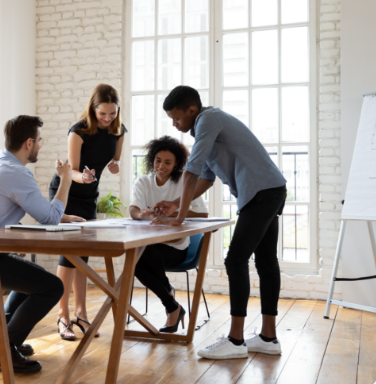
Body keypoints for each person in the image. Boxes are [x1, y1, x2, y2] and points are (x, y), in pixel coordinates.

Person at [153, 86, 287, 360]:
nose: (174, 124)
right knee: (265, 261)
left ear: (192, 110)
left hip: (261, 193)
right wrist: (176, 204)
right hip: (269, 190)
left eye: (176, 118)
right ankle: (268, 338)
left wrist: (179, 218)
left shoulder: (207, 120)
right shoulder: (207, 127)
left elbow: (190, 171)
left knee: (235, 260)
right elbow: (205, 177)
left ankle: (236, 341)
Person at [0, 115, 72, 373]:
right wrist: (66, 179)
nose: (40, 145)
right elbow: (49, 218)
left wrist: (62, 215)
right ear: (29, 143)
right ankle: (2, 350)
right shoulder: (16, 173)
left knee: (38, 278)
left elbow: (43, 212)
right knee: (52, 287)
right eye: (39, 141)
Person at [48, 83, 127, 340]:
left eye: (112, 113)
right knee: (67, 257)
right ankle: (62, 316)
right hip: (67, 192)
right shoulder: (78, 131)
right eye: (102, 113)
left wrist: (114, 167)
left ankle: (81, 315)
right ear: (93, 109)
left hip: (89, 196)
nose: (107, 119)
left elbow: (114, 161)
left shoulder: (119, 131)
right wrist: (82, 177)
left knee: (82, 258)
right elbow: (70, 172)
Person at [129, 135, 208, 333]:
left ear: (177, 164)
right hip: (150, 245)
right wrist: (141, 214)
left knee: (140, 256)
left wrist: (176, 211)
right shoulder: (143, 182)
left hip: (177, 246)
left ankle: (170, 302)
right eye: (157, 160)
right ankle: (172, 306)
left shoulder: (184, 181)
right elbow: (133, 209)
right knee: (137, 258)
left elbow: (203, 213)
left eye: (167, 162)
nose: (161, 166)